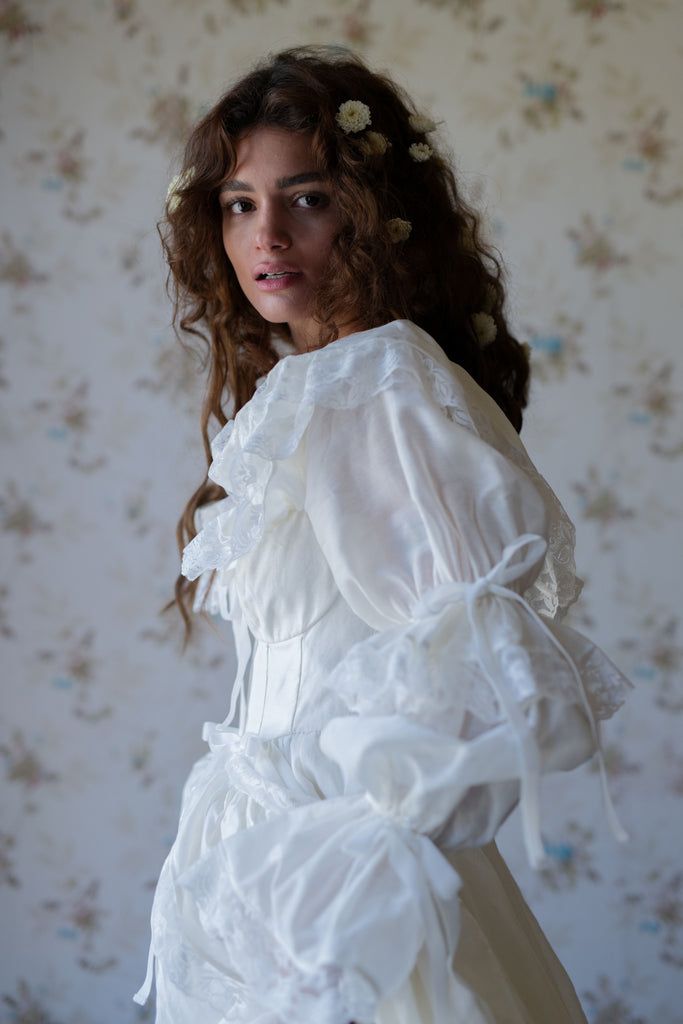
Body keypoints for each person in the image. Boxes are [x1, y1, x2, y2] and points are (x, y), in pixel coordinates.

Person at [133, 43, 634, 1023]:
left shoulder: (378, 383)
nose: (264, 232)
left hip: (340, 896)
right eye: (238, 202)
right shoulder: (311, 389)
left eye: (306, 197)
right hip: (260, 871)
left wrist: (360, 848)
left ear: (372, 214)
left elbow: (477, 650)